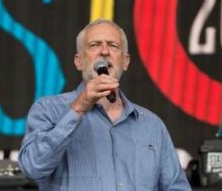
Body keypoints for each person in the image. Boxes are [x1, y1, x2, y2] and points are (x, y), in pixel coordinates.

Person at [18, 19, 191, 190]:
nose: (105, 51)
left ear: (125, 61)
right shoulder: (49, 109)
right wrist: (78, 107)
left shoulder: (152, 125)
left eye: (113, 45)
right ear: (78, 61)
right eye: (94, 45)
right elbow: (33, 169)